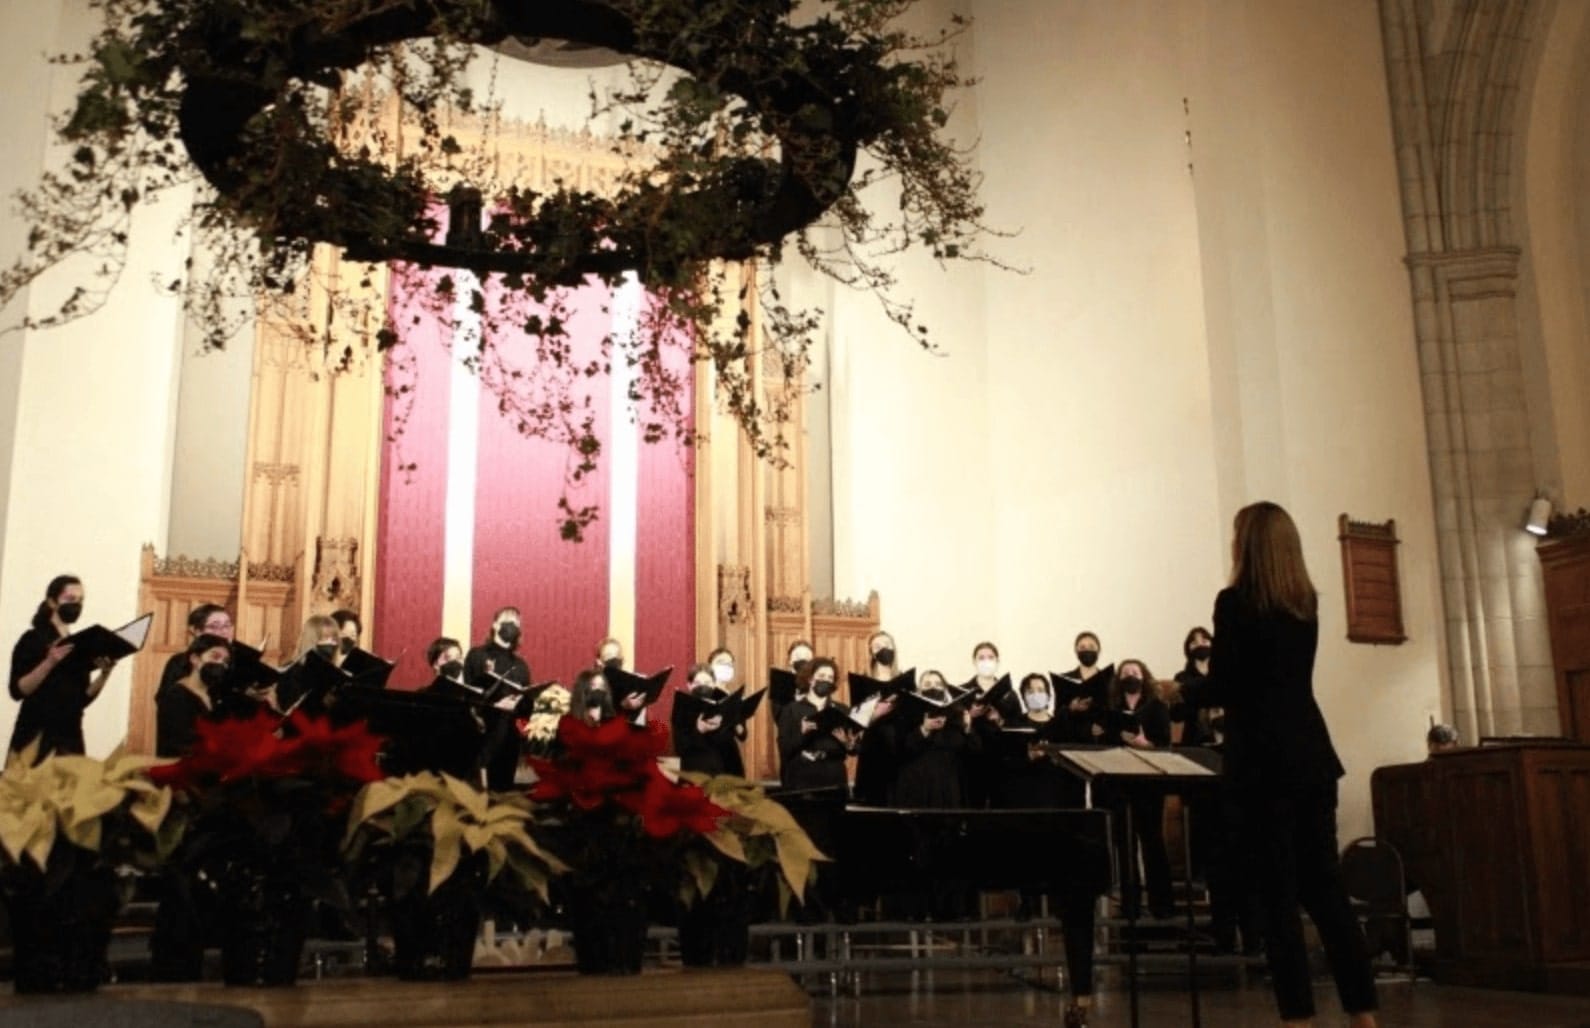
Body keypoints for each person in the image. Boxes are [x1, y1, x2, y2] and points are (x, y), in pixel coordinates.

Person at [1187, 501, 1379, 1028]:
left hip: (1262, 764)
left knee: (1277, 897)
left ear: (1245, 544)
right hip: (1312, 757)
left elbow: (1226, 684)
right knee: (1327, 892)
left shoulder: (1234, 602)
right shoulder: (1305, 602)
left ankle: (1299, 1019)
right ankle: (1364, 1014)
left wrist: (1183, 690)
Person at [997, 672, 1099, 1028]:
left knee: (1063, 869)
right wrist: (1028, 754)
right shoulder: (1016, 725)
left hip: (1060, 808)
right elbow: (1006, 768)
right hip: (1028, 805)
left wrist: (1052, 750)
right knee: (1028, 855)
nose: (1037, 694)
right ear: (1024, 696)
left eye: (1042, 690)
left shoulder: (1061, 723)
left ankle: (1055, 902)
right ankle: (1026, 899)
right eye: (1031, 690)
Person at [7, 575, 116, 759]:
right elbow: (17, 690)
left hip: (70, 737)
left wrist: (105, 673)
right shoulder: (32, 639)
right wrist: (49, 662)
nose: (76, 605)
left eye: (80, 600)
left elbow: (82, 699)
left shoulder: (79, 645)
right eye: (70, 599)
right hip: (35, 736)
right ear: (52, 601)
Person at [1102, 658, 1174, 919]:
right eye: (1125, 673)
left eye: (1135, 672)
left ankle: (1162, 904)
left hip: (1149, 783)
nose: (1130, 676)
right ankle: (1130, 905)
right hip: (1120, 783)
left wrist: (1146, 744)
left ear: (1144, 676)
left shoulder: (1156, 707)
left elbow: (1166, 745)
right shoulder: (1113, 709)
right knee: (1125, 844)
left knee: (1153, 840)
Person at [155, 633, 237, 758]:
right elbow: (182, 746)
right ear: (195, 659)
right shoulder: (176, 696)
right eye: (215, 656)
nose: (221, 664)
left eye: (225, 661)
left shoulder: (214, 694)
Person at [157, 604, 234, 700]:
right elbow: (164, 698)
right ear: (197, 632)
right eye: (215, 626)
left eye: (227, 625)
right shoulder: (179, 662)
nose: (224, 631)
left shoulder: (241, 661)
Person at [1053, 631, 1113, 744]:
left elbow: (1115, 711)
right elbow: (1057, 714)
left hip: (1102, 741)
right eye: (1082, 647)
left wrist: (1104, 725)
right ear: (1076, 651)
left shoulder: (1110, 679)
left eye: (1091, 646)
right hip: (1073, 740)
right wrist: (1071, 708)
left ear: (1098, 650)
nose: (1087, 650)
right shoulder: (1065, 679)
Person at [273, 614, 340, 714]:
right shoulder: (291, 672)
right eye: (325, 638)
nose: (331, 643)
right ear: (311, 640)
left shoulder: (335, 675)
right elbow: (288, 707)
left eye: (334, 639)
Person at [1169, 626, 1213, 745]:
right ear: (1188, 649)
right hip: (1193, 738)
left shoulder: (1223, 674)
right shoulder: (1181, 678)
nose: (1200, 645)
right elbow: (1176, 714)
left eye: (1204, 641)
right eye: (1194, 642)